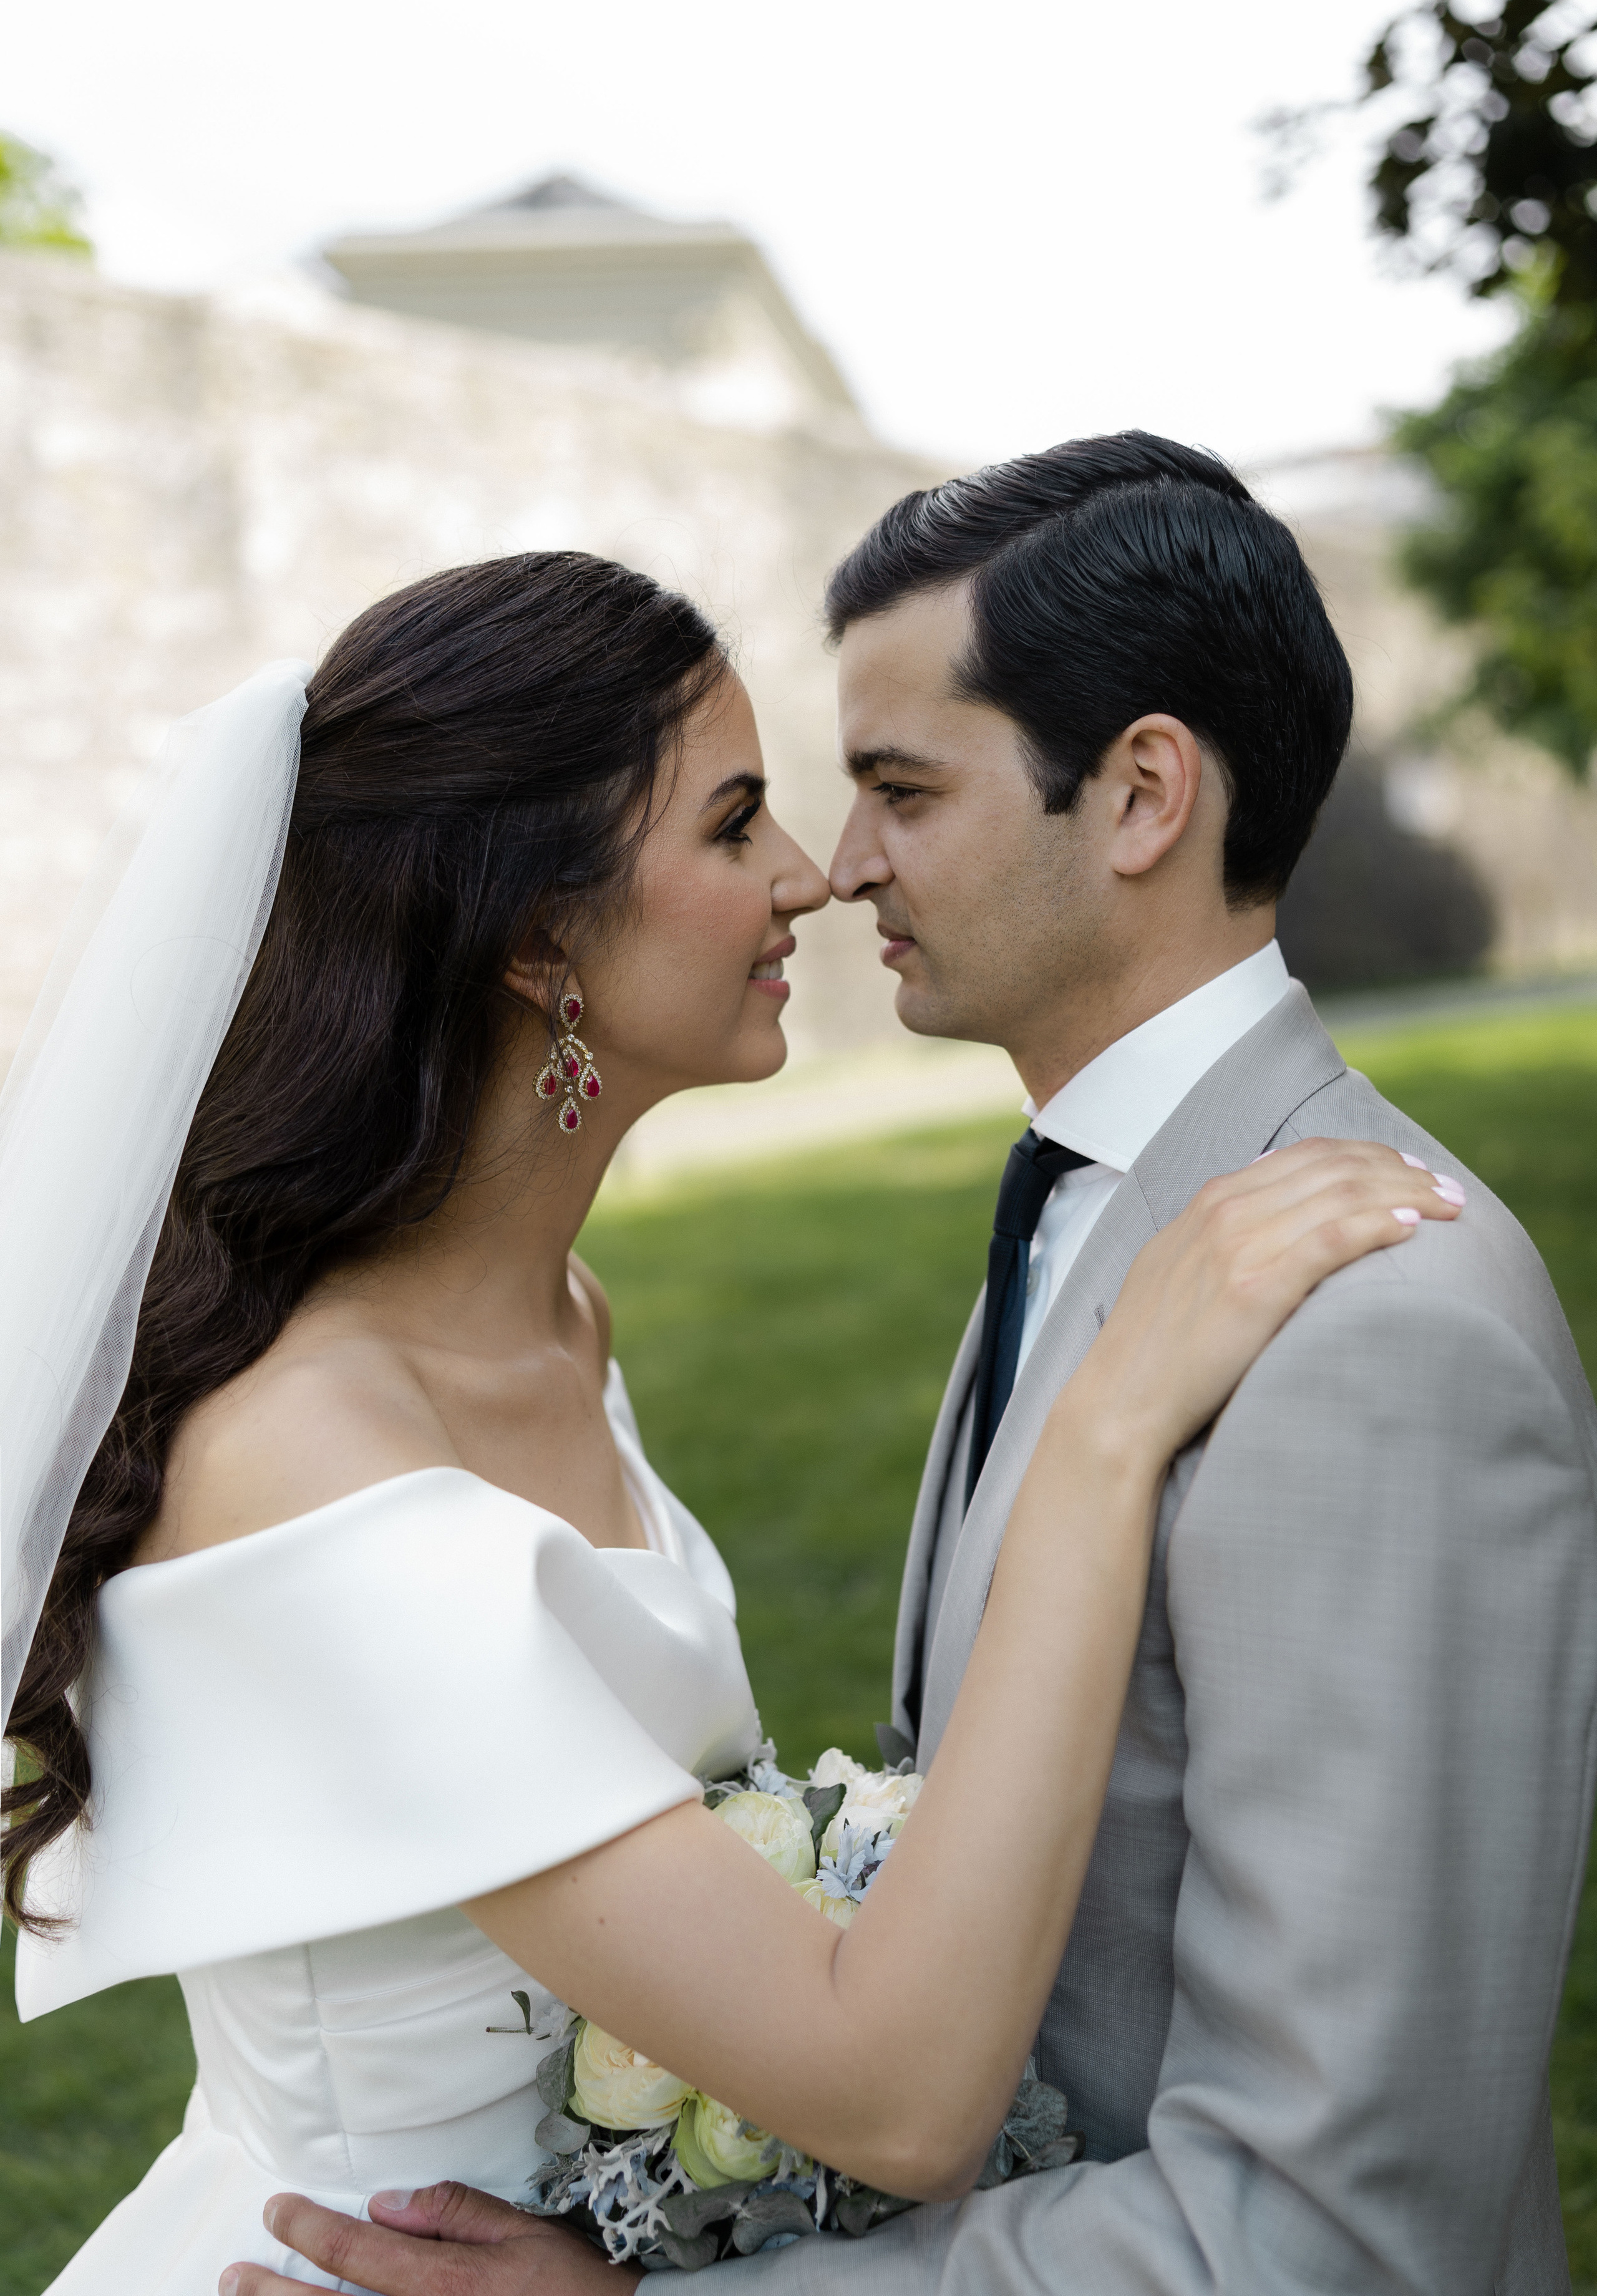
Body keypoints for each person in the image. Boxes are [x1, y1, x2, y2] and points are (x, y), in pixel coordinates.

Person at [0, 543, 1449, 2296]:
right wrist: (1106, 1426)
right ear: (541, 940)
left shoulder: (559, 1321)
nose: (808, 878)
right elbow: (900, 2100)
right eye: (732, 821)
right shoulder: (315, 1468)